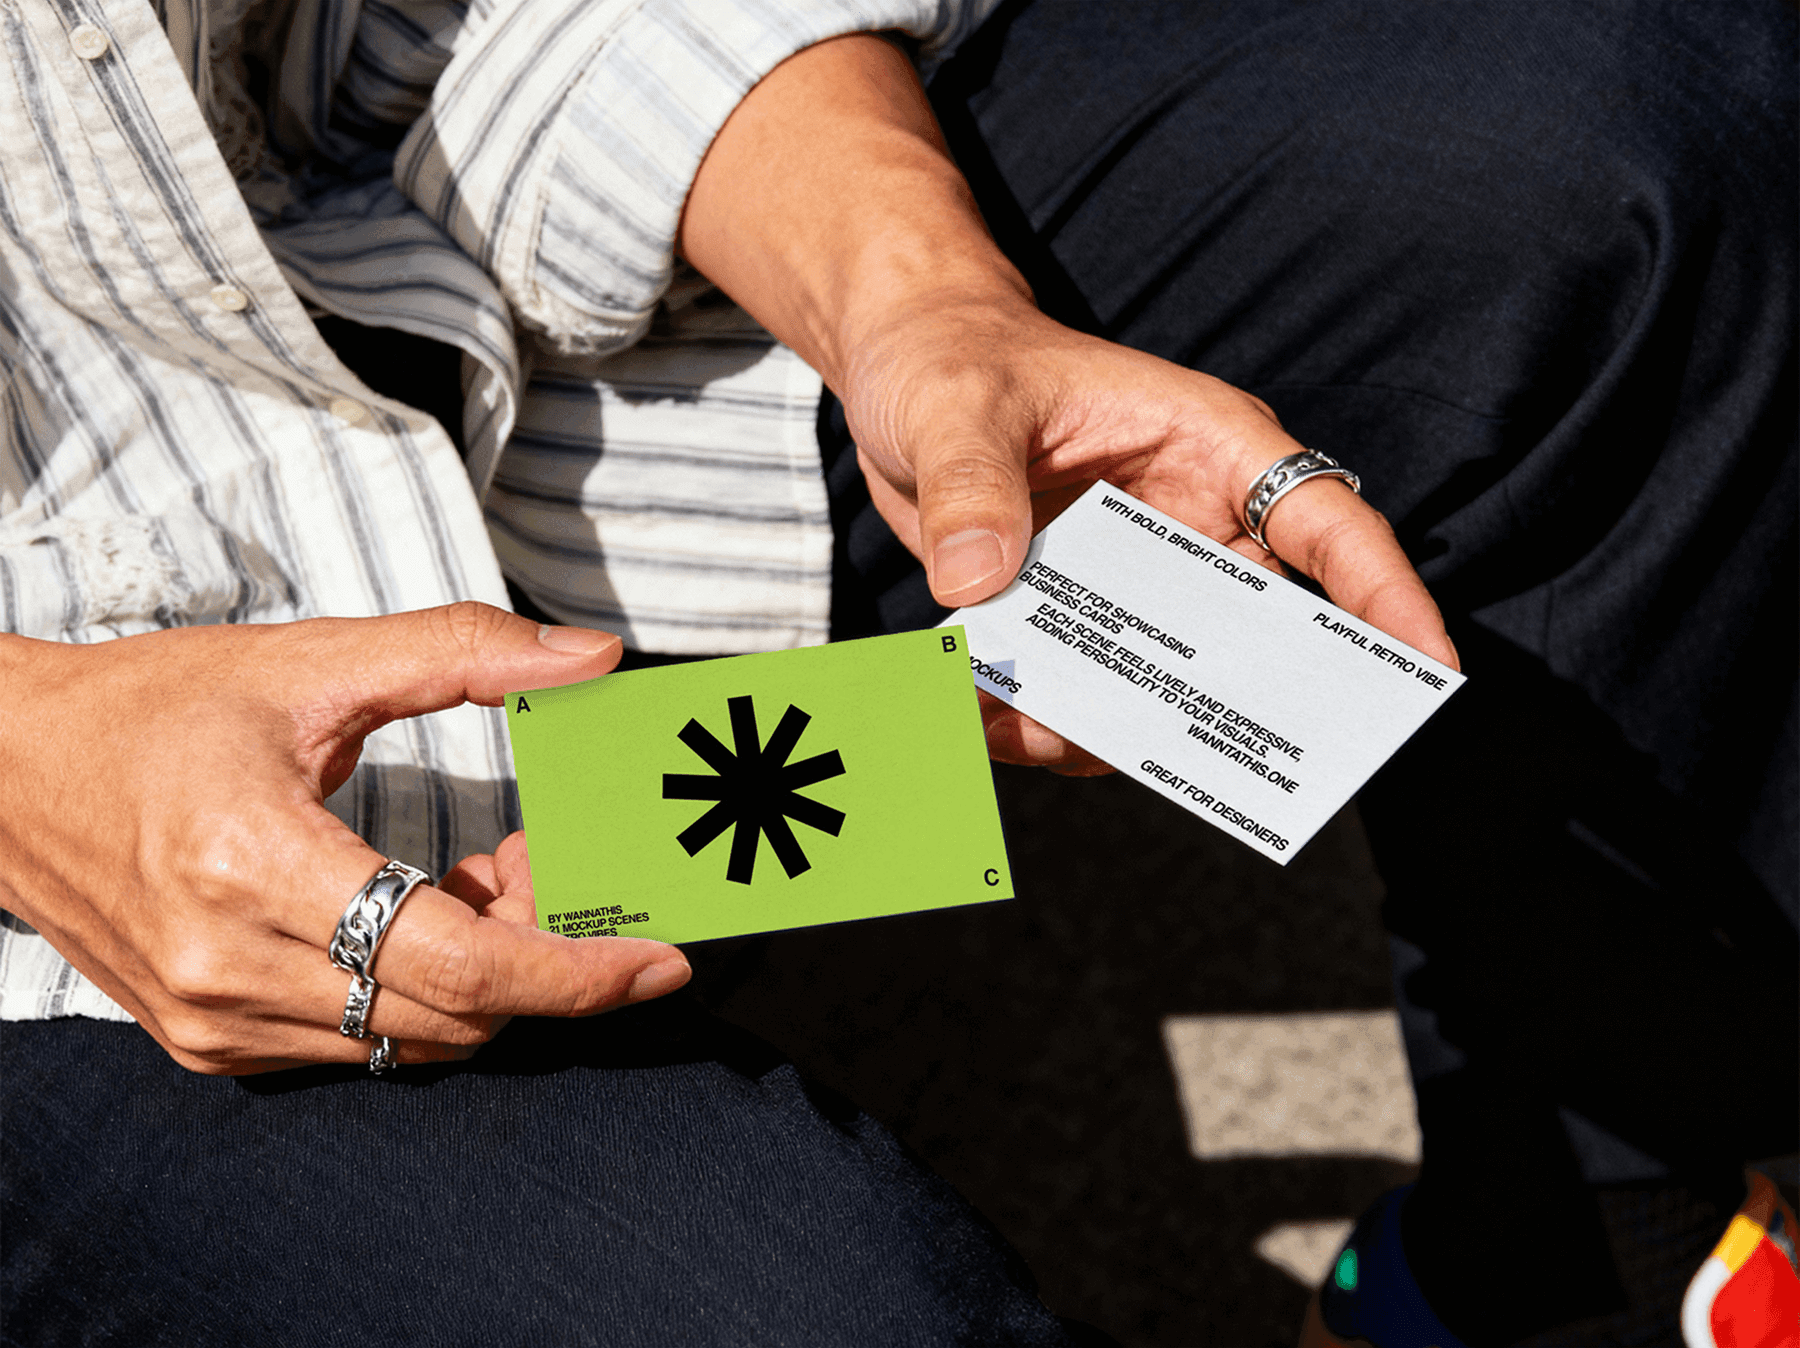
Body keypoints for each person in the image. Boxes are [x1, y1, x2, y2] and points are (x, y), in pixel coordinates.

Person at [1, 0, 1791, 1344]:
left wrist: (920, 299)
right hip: (63, 889)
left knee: (1606, 180)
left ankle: (1583, 1219)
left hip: (487, 414)